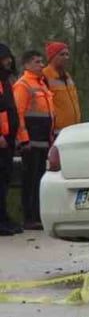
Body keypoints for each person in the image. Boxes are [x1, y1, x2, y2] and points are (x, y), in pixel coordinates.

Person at [14, 50, 54, 230]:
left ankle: (38, 215)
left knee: (40, 179)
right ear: (27, 65)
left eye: (42, 62)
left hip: (43, 140)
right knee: (30, 180)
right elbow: (19, 114)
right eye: (37, 62)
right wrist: (24, 140)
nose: (41, 65)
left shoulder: (42, 84)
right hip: (31, 142)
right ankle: (29, 217)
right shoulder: (23, 85)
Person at [0, 45, 19, 235]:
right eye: (5, 58)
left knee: (5, 180)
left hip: (8, 140)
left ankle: (4, 217)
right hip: (2, 140)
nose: (9, 61)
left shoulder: (6, 81)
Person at [42, 42, 80, 136]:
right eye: (62, 54)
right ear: (52, 57)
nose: (66, 57)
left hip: (73, 129)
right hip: (57, 133)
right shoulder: (44, 76)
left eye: (67, 54)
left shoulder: (67, 76)